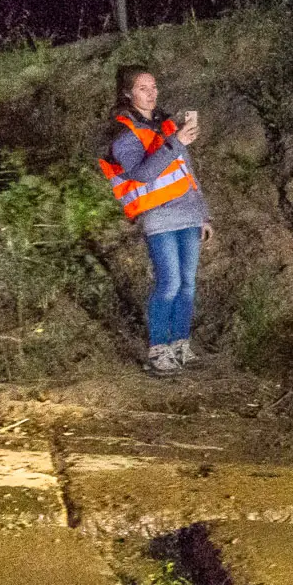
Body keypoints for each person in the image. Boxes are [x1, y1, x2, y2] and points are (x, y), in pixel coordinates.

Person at [99, 67, 216, 376]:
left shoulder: (164, 124)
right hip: (158, 215)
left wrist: (203, 213)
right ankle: (157, 351)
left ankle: (180, 344)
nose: (152, 93)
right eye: (142, 88)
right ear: (127, 93)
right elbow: (141, 173)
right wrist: (175, 142)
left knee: (188, 285)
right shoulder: (122, 133)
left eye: (154, 87)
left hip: (188, 212)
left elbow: (187, 171)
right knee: (170, 283)